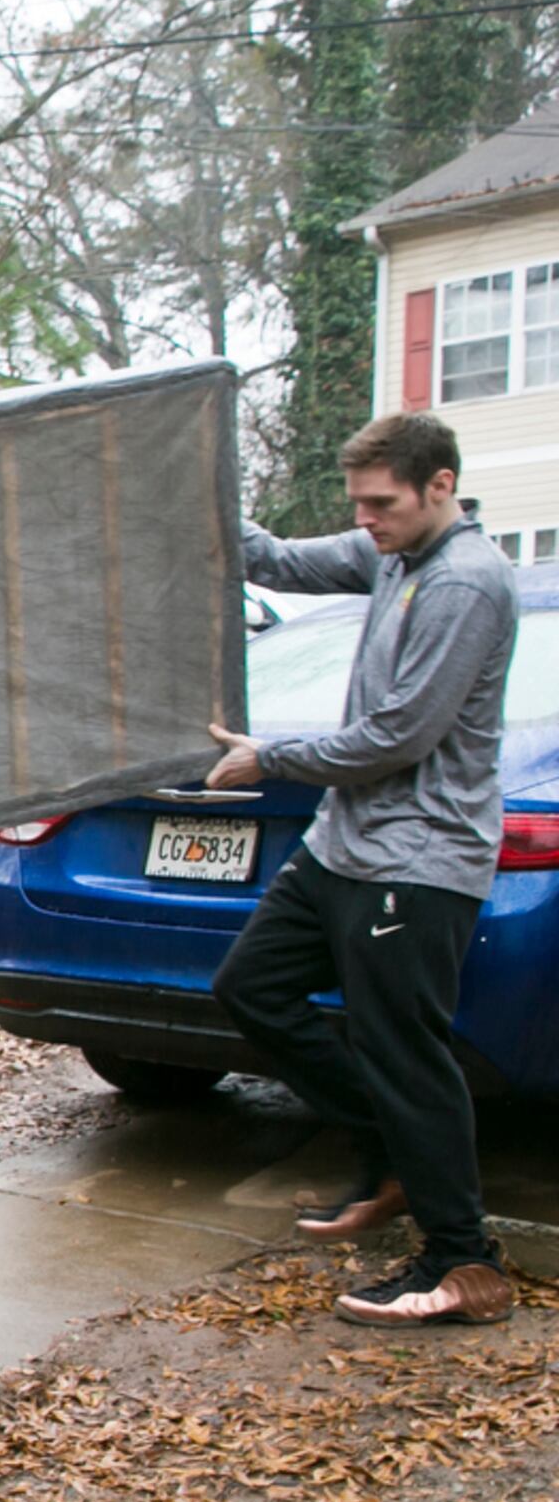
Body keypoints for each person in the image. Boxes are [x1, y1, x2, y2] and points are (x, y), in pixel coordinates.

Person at [201, 409, 522, 1326]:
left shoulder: (463, 583)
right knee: (252, 986)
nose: (367, 520)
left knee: (405, 1055)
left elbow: (400, 735)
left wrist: (273, 757)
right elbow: (277, 561)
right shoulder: (393, 554)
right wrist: (193, 477)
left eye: (382, 505)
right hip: (345, 847)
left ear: (440, 487)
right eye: (360, 505)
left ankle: (466, 1264)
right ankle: (391, 1152)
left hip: (419, 858)